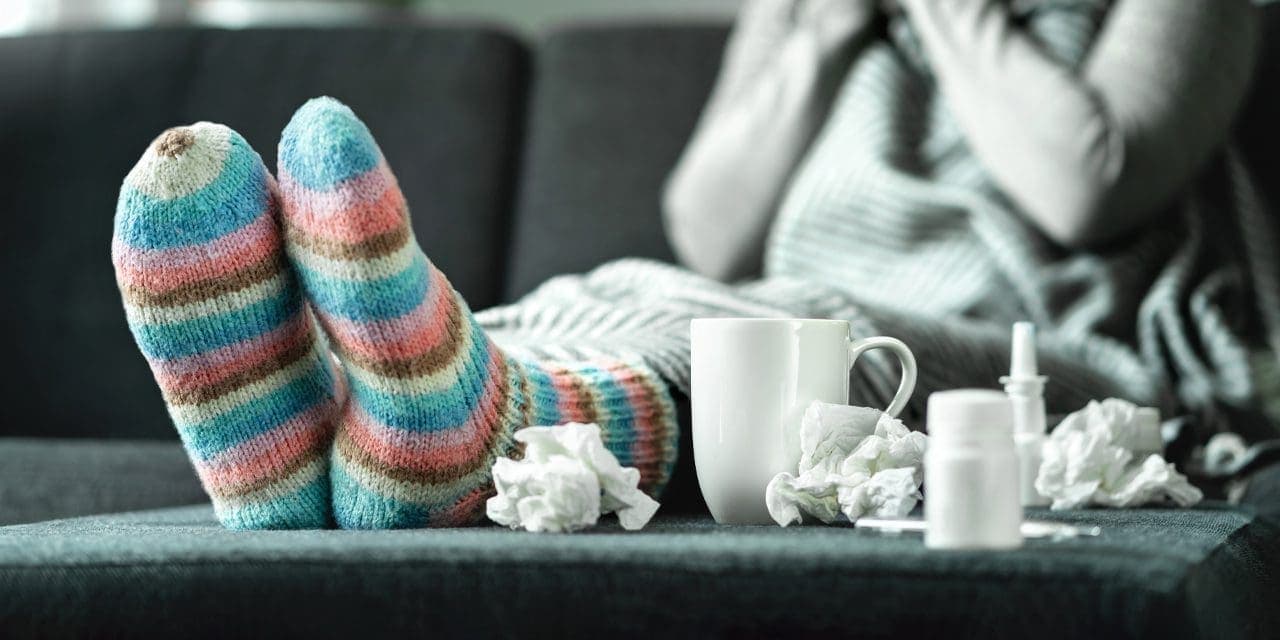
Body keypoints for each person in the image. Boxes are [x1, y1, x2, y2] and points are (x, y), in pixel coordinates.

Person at [112, 0, 1276, 530]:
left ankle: (470, 428)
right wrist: (818, 31)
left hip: (1043, 352)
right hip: (774, 303)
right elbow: (704, 224)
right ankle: (332, 449)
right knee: (602, 286)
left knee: (793, 322)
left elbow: (1091, 181)